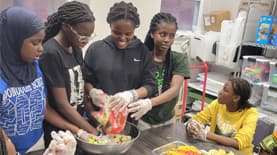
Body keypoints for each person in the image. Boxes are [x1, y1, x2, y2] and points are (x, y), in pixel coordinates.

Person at [0, 6, 85, 154]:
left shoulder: (35, 68)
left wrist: (77, 131)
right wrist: (6, 144)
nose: (41, 49)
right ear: (13, 40)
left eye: (41, 42)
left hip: (38, 143)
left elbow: (44, 109)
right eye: (35, 43)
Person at [83, 1, 157, 124]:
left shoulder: (142, 51)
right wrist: (92, 92)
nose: (122, 38)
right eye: (116, 32)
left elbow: (151, 85)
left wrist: (131, 95)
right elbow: (85, 80)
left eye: (128, 34)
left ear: (134, 30)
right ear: (110, 26)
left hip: (128, 121)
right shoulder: (96, 49)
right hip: (99, 118)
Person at [39, 1, 98, 147]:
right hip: (59, 131)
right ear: (66, 27)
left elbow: (80, 86)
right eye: (82, 35)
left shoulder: (76, 48)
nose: (86, 40)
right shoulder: (51, 53)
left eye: (90, 36)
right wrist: (93, 132)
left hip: (78, 122)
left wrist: (93, 115)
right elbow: (62, 104)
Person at [128, 12, 190, 130]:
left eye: (171, 36)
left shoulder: (179, 59)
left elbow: (174, 90)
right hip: (142, 119)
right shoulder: (141, 58)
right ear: (152, 34)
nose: (167, 40)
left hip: (167, 121)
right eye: (162, 34)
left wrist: (149, 103)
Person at [185, 77, 258, 155]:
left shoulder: (250, 114)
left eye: (225, 90)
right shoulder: (217, 104)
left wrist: (205, 134)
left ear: (236, 98)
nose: (220, 92)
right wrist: (192, 126)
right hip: (216, 151)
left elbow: (237, 142)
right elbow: (197, 119)